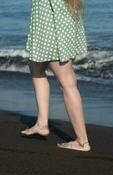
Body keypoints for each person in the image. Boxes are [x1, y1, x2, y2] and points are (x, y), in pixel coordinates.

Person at [21, 0, 91, 151]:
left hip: (53, 30)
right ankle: (42, 123)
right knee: (36, 67)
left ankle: (82, 141)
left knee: (67, 82)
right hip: (60, 27)